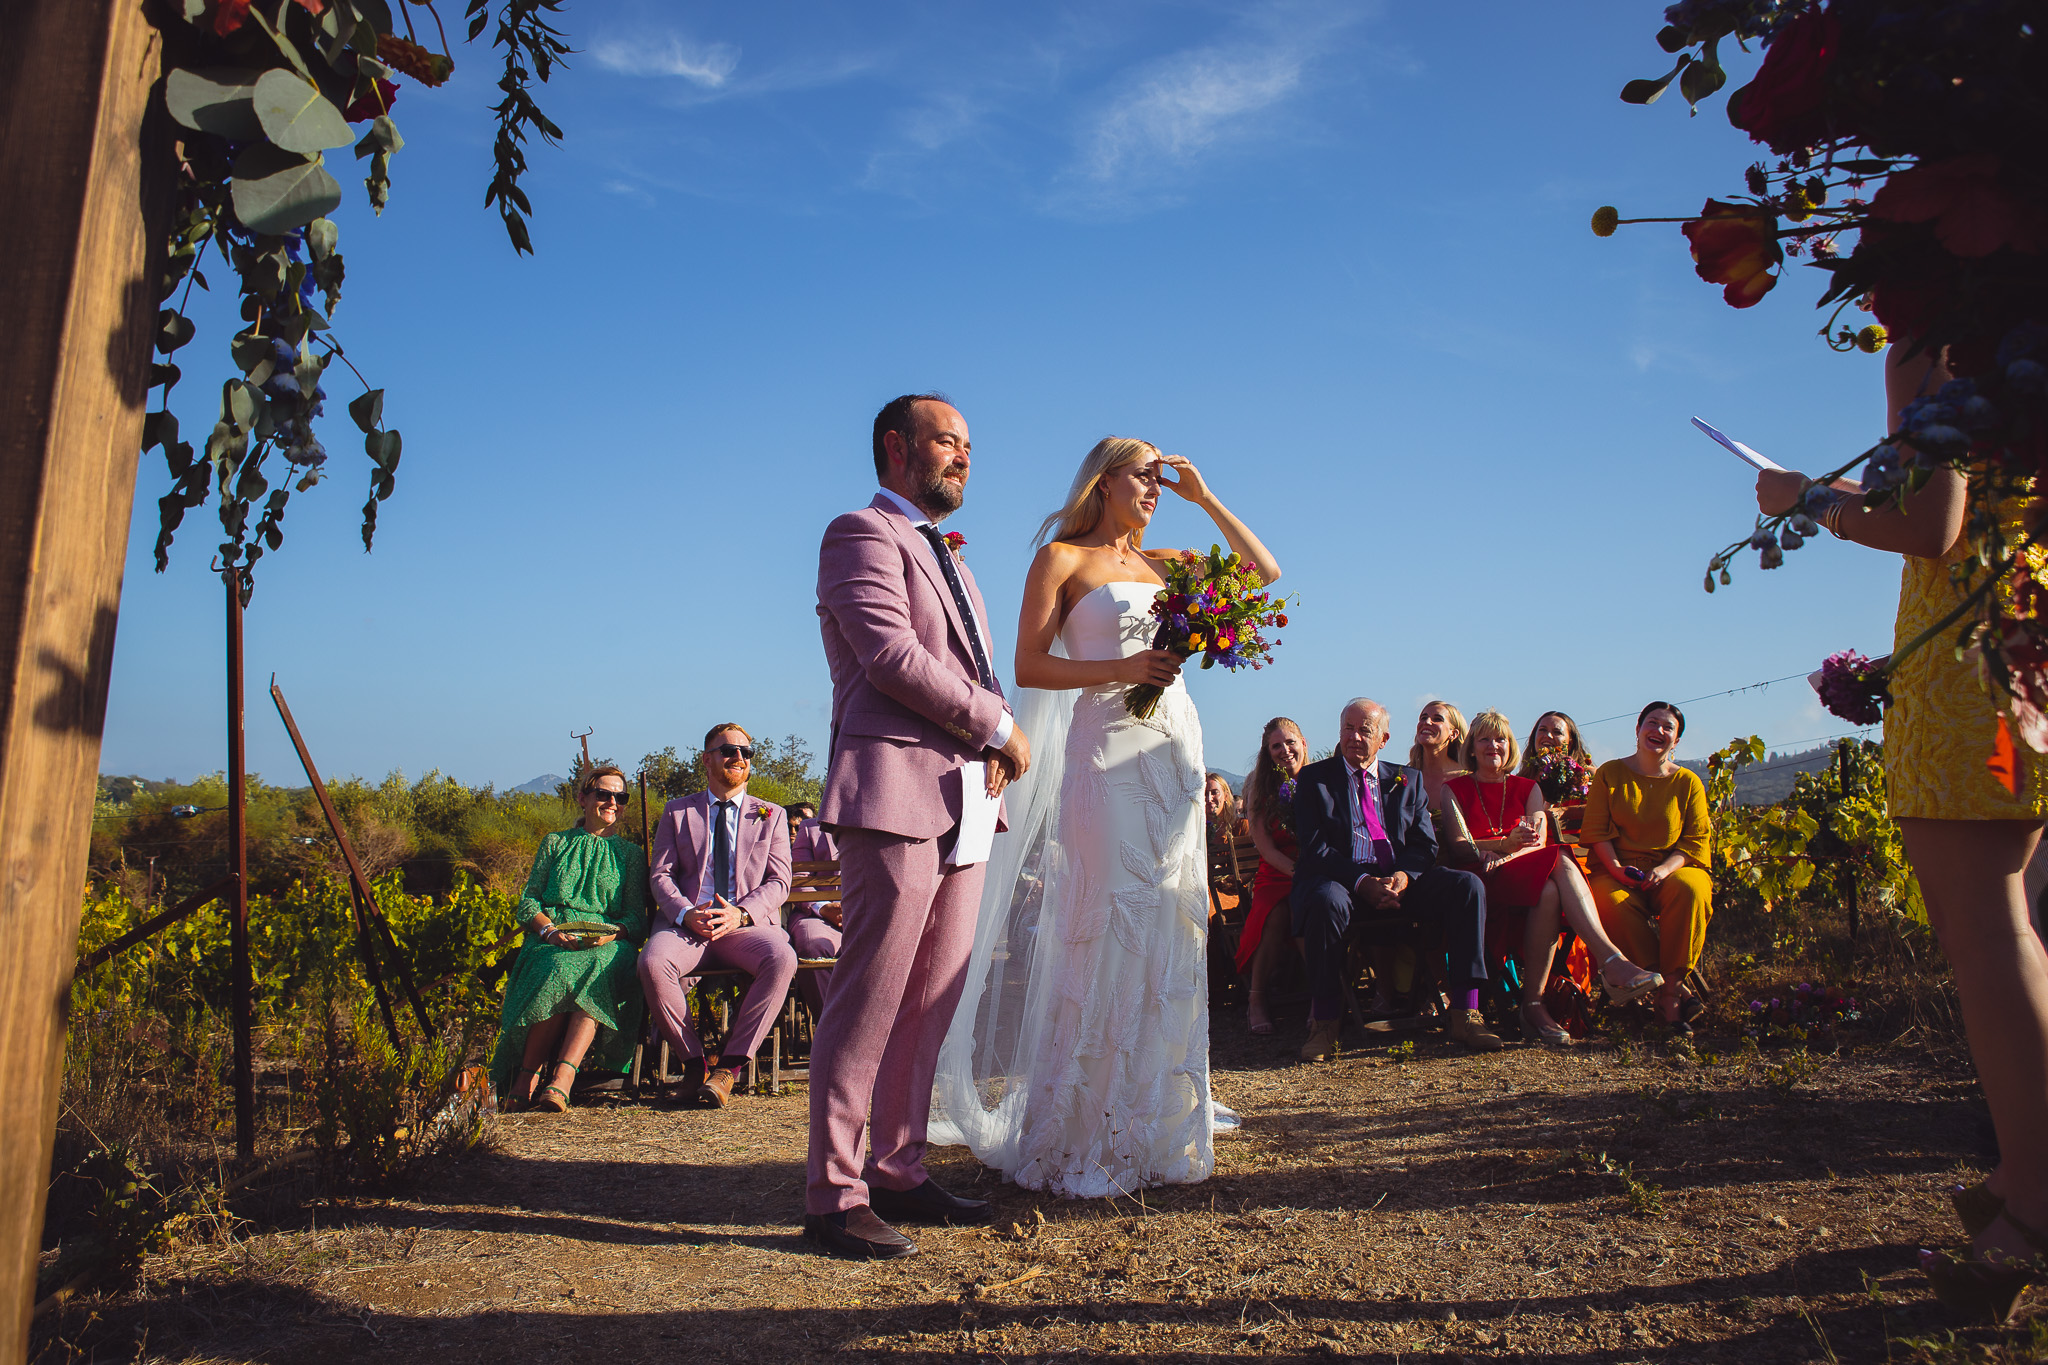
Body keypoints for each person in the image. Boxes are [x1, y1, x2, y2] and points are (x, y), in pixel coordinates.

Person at [1758, 342, 2048, 1287]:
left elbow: (1934, 523)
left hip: (1967, 667)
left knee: (1993, 942)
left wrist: (1809, 500)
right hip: (2025, 639)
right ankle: (2019, 1174)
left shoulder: (1946, 336)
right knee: (2020, 928)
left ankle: (2037, 1211)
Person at [934, 434, 1280, 1198]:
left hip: (1171, 749)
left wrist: (1207, 496)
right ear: (1104, 479)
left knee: (1166, 921)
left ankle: (1152, 1121)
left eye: (1162, 478)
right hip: (1103, 743)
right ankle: (1082, 1126)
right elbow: (1027, 665)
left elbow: (1265, 572)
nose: (1155, 489)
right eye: (1144, 476)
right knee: (1106, 921)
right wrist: (1123, 668)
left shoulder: (1167, 562)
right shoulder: (1061, 557)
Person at [805, 393, 1028, 1259]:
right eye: (947, 442)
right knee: (869, 995)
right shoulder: (859, 533)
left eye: (970, 444)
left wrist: (997, 743)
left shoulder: (960, 564)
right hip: (893, 790)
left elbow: (978, 673)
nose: (965, 457)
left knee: (932, 997)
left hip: (969, 799)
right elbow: (892, 656)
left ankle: (899, 1166)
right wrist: (1001, 726)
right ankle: (832, 1192)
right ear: (896, 448)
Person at [1292, 698, 1501, 1059]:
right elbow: (1316, 850)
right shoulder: (1315, 780)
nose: (1354, 737)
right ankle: (1325, 1023)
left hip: (1399, 881)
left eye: (1365, 730)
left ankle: (1466, 1012)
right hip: (1344, 881)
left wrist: (1403, 876)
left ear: (1383, 739)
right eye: (1348, 728)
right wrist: (1363, 882)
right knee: (1324, 899)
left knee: (1467, 887)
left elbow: (1424, 844)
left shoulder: (1407, 780)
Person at [1442, 709, 1661, 1045]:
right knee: (1558, 857)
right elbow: (1459, 846)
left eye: (1500, 739)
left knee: (1548, 891)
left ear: (1510, 745)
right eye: (1484, 739)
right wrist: (1501, 845)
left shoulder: (1528, 787)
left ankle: (1532, 1006)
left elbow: (1538, 839)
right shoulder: (1453, 788)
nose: (1493, 746)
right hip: (1479, 877)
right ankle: (1611, 961)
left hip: (1523, 868)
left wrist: (1509, 853)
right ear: (1471, 747)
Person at [642, 723, 796, 1110]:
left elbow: (780, 881)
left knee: (783, 957)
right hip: (689, 926)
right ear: (706, 759)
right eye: (728, 750)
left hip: (743, 927)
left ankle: (729, 1067)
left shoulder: (771, 814)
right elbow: (660, 874)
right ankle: (694, 1065)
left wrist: (742, 914)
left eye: (746, 752)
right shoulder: (678, 811)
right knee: (653, 962)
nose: (738, 758)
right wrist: (684, 913)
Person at [489, 765, 649, 1112]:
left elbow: (636, 918)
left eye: (619, 797)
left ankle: (563, 1076)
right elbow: (529, 901)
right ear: (583, 798)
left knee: (597, 966)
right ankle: (527, 1075)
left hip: (607, 943)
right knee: (558, 969)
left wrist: (611, 934)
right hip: (553, 935)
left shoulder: (632, 856)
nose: (612, 802)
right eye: (603, 794)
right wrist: (550, 930)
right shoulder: (556, 842)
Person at [1579, 702, 1713, 1033]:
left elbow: (1695, 841)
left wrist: (1665, 871)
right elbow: (1596, 832)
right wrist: (1616, 869)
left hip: (1670, 870)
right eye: (1651, 723)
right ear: (1637, 729)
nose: (1659, 731)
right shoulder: (1610, 773)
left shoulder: (1688, 782)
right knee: (1608, 901)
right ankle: (1671, 993)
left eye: (1668, 728)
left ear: (1676, 741)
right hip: (1617, 871)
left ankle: (1667, 993)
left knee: (1692, 889)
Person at [1238, 718, 1309, 1035]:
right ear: (1267, 752)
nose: (1285, 750)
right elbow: (1266, 849)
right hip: (1277, 870)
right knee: (1277, 912)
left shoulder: (1321, 779)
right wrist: (1300, 873)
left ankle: (1323, 996)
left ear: (1303, 742)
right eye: (1276, 746)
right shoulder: (1261, 786)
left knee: (1306, 908)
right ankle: (1257, 998)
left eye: (1290, 742)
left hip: (1317, 867)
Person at [788, 807, 842, 1014]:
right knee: (813, 947)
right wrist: (824, 907)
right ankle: (832, 1032)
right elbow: (799, 878)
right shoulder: (810, 829)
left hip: (868, 912)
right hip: (817, 915)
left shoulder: (882, 823)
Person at [1409, 701, 1470, 809]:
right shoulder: (1407, 777)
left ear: (1453, 734)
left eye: (1437, 719)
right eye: (1423, 718)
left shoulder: (1468, 779)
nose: (1427, 722)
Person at [1204, 773, 1249, 918]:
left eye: (1214, 792)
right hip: (1205, 894)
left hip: (1234, 894)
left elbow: (1251, 869)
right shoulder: (1197, 831)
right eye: (1204, 794)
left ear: (1225, 795)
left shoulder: (1240, 827)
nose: (1209, 799)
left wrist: (1229, 880)